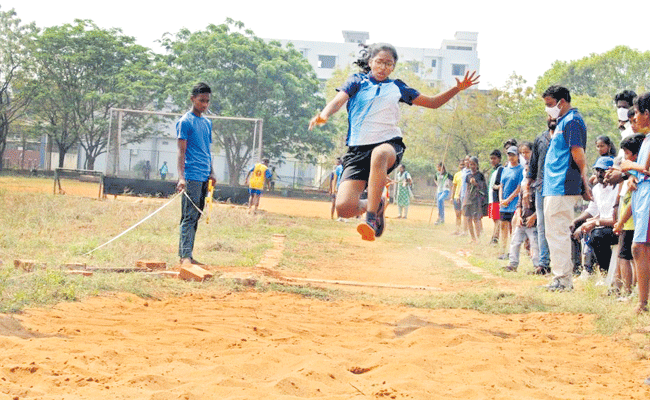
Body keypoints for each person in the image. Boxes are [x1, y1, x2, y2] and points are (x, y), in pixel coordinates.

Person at [308, 42, 479, 241]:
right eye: (379, 62)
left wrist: (457, 89)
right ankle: (377, 204)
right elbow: (338, 101)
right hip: (357, 151)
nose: (383, 67)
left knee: (379, 154)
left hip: (389, 145)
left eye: (388, 64)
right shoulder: (357, 81)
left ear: (393, 67)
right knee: (343, 209)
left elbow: (433, 103)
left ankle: (371, 219)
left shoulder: (397, 87)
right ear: (371, 62)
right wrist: (324, 115)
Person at [542, 85, 592, 292]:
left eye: (550, 104)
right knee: (553, 232)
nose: (548, 109)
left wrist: (584, 181)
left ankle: (563, 280)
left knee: (559, 232)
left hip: (562, 184)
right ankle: (559, 277)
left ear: (561, 101)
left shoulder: (572, 121)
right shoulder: (562, 122)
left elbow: (578, 154)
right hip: (553, 185)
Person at [176, 82, 216, 265]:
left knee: (197, 215)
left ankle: (189, 255)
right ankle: (184, 257)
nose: (205, 105)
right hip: (191, 175)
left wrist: (212, 172)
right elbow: (181, 152)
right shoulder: (185, 122)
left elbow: (207, 150)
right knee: (188, 216)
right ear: (193, 99)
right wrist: (181, 177)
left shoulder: (207, 123)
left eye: (207, 101)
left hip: (204, 176)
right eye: (201, 101)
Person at [620, 92, 650, 313]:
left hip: (647, 200)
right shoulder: (646, 140)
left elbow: (646, 169)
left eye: (638, 113)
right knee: (639, 248)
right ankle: (642, 302)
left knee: (639, 247)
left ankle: (642, 303)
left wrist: (629, 166)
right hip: (641, 198)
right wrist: (632, 175)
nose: (635, 118)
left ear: (647, 114)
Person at [570, 156, 619, 274]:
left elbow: (615, 219)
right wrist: (576, 221)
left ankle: (605, 271)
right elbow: (591, 210)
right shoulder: (597, 188)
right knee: (572, 229)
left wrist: (593, 223)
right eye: (597, 170)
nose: (599, 174)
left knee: (598, 235)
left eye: (603, 171)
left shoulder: (617, 188)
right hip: (600, 223)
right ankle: (578, 269)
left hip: (614, 227)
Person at [613, 134, 645, 297]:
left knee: (629, 257)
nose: (624, 158)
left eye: (626, 153)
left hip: (632, 223)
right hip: (631, 222)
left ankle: (630, 292)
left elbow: (633, 204)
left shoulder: (638, 177)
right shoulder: (633, 176)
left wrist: (620, 222)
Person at [523, 116, 554, 275]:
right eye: (549, 115)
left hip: (558, 187)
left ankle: (560, 264)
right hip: (541, 187)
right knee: (541, 226)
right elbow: (533, 166)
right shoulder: (540, 139)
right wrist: (527, 187)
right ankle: (544, 263)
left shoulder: (563, 136)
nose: (552, 118)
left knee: (556, 226)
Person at [504, 142, 540, 272]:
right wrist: (518, 216)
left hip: (532, 222)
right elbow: (519, 203)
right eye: (525, 170)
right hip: (522, 220)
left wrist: (534, 217)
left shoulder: (537, 187)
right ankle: (512, 264)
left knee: (534, 244)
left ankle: (537, 266)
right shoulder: (523, 185)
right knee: (515, 242)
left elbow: (540, 207)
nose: (526, 172)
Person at [498, 146, 524, 259]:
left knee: (512, 229)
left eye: (513, 155)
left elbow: (519, 188)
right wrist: (501, 200)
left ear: (518, 156)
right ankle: (503, 251)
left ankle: (511, 252)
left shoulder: (521, 169)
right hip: (503, 204)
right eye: (509, 155)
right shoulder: (505, 170)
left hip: (514, 204)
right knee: (503, 226)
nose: (511, 157)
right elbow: (501, 186)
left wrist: (508, 200)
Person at [462, 156, 485, 243]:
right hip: (468, 199)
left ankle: (478, 237)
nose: (472, 166)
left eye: (474, 164)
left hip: (476, 199)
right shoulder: (468, 176)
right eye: (470, 164)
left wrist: (476, 184)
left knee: (476, 219)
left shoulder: (480, 175)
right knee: (468, 218)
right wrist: (465, 199)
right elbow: (467, 188)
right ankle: (472, 237)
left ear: (477, 165)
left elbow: (482, 187)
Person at [487, 149, 503, 244]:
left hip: (496, 197)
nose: (492, 160)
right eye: (491, 158)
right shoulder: (493, 170)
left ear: (499, 159)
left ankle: (495, 237)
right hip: (491, 197)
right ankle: (494, 235)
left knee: (497, 218)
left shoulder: (501, 169)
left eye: (494, 158)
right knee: (494, 218)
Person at [451, 160, 465, 234]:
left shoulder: (467, 174)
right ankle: (457, 229)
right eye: (461, 165)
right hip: (456, 197)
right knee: (457, 214)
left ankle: (464, 230)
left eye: (463, 165)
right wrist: (451, 197)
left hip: (464, 197)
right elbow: (454, 186)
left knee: (464, 214)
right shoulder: (456, 175)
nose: (462, 166)